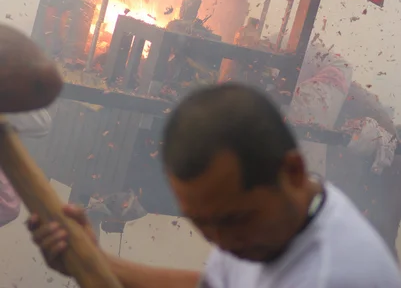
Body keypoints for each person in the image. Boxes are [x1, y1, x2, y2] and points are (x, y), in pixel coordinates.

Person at [28, 82, 401, 287]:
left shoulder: (337, 275)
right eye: (203, 226)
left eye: (233, 220)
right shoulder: (282, 221)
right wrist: (96, 263)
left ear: (292, 171)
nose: (223, 244)